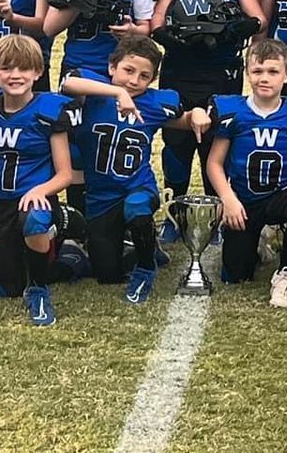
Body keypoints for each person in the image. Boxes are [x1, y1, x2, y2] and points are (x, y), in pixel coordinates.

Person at [63, 37, 210, 306]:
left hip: (137, 187)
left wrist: (198, 111)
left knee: (137, 207)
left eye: (144, 76)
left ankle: (145, 268)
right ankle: (146, 246)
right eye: (128, 71)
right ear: (111, 67)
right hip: (100, 196)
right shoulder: (95, 93)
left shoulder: (155, 103)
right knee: (106, 274)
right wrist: (117, 93)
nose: (134, 80)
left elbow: (184, 118)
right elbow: (68, 83)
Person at [147, 0, 266, 215]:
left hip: (220, 66)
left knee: (216, 137)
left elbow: (258, 18)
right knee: (176, 137)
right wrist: (163, 35)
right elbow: (158, 17)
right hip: (180, 64)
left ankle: (214, 212)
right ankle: (176, 213)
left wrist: (236, 30)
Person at [0, 33, 77, 327]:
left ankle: (39, 287)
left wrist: (42, 189)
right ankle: (60, 255)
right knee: (7, 287)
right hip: (2, 203)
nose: (15, 75)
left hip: (37, 199)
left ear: (38, 72)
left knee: (35, 221)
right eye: (7, 68)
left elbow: (65, 173)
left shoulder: (48, 111)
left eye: (24, 69)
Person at [206, 38, 287, 308]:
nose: (264, 78)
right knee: (234, 275)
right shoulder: (233, 112)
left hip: (280, 196)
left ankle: (286, 273)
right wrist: (229, 199)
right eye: (257, 71)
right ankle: (257, 244)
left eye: (273, 71)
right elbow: (214, 163)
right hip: (243, 202)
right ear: (247, 73)